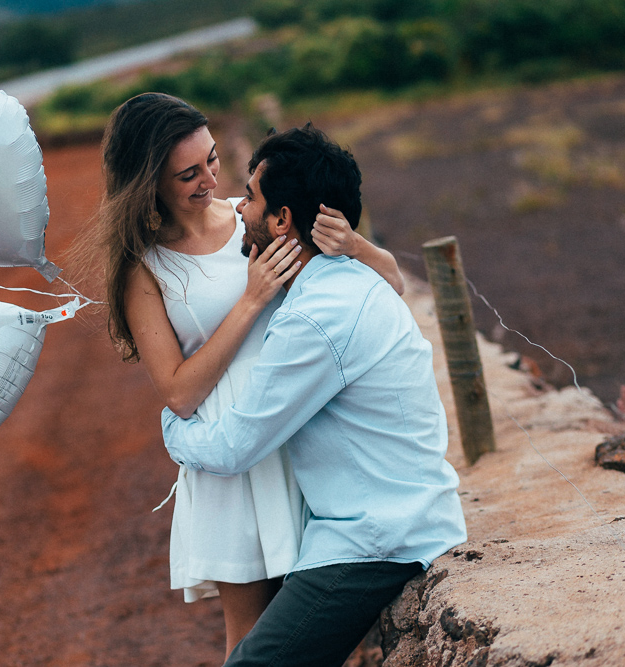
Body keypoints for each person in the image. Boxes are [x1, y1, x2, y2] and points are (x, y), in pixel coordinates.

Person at [89, 93, 406, 658]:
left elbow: (393, 285)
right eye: (188, 174)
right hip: (231, 458)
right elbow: (179, 392)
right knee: (253, 638)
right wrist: (252, 300)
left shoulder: (256, 216)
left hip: (302, 430)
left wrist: (354, 243)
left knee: (317, 631)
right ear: (147, 182)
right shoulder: (146, 268)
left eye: (212, 159)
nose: (210, 179)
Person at [162, 124, 468, 666]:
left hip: (376, 540)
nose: (239, 210)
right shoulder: (347, 279)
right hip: (388, 519)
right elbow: (393, 276)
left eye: (250, 198)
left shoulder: (315, 318)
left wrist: (173, 426)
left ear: (283, 220)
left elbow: (235, 446)